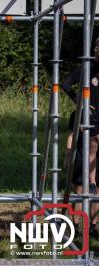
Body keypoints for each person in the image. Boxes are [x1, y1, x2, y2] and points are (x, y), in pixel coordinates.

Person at [61, 37, 99, 194]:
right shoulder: (87, 66)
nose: (96, 48)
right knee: (93, 144)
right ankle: (91, 181)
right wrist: (81, 102)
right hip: (90, 115)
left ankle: (94, 218)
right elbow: (66, 84)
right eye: (96, 45)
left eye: (98, 45)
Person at [64, 111, 99, 239]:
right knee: (79, 191)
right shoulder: (77, 112)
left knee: (96, 191)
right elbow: (72, 135)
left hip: (96, 156)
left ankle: (93, 227)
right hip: (81, 155)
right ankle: (75, 226)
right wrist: (68, 155)